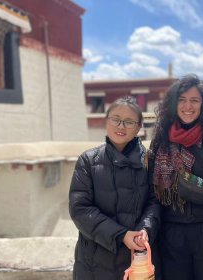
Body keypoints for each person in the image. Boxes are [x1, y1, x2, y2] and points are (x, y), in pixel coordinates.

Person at [148, 74, 203, 280]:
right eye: (182, 100)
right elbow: (151, 187)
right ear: (173, 103)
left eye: (194, 100)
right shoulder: (161, 137)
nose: (188, 106)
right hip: (171, 233)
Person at [69, 96, 161, 280]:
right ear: (106, 121)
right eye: (115, 119)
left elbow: (155, 202)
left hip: (137, 259)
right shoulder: (88, 161)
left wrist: (145, 230)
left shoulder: (149, 161)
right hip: (94, 262)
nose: (121, 126)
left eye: (129, 122)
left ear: (138, 127)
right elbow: (80, 209)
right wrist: (121, 235)